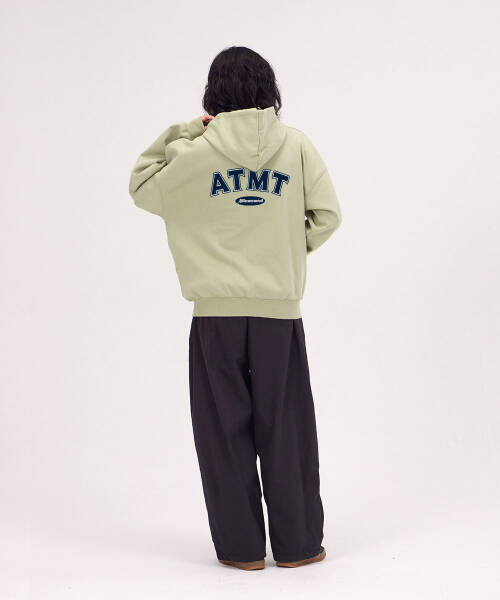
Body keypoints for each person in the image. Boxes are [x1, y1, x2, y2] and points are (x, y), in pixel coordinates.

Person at [128, 46, 341, 571]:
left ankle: (242, 551)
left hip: (214, 318)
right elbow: (326, 215)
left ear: (213, 94)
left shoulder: (194, 154)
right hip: (278, 313)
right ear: (270, 88)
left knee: (223, 433)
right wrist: (285, 251)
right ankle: (298, 546)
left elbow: (142, 184)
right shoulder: (296, 146)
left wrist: (190, 129)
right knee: (287, 428)